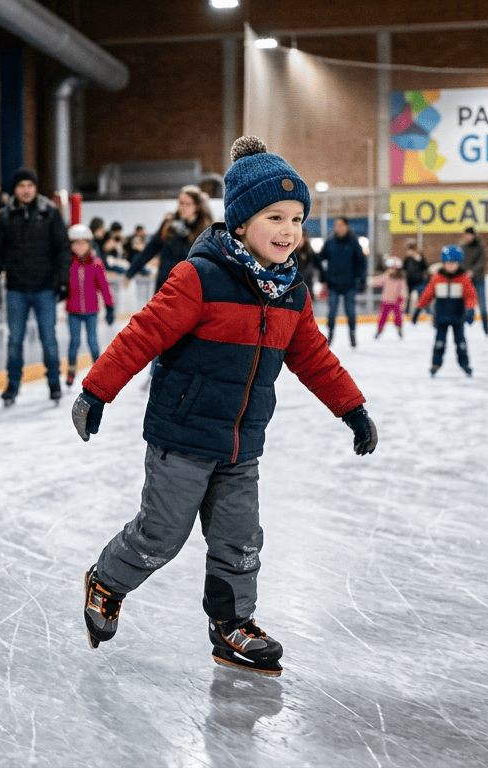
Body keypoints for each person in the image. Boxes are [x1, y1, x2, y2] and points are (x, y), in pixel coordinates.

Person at [70, 136, 376, 676]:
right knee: (161, 535)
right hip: (182, 439)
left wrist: (352, 409)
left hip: (242, 444)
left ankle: (232, 625)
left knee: (240, 540)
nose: (289, 231)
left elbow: (315, 359)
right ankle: (107, 580)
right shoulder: (200, 277)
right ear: (239, 222)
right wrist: (97, 391)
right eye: (275, 217)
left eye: (298, 219)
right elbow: (142, 335)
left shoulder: (291, 294)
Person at [0, 167, 70, 405]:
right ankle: (12, 386)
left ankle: (54, 383)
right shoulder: (4, 217)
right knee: (14, 340)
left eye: (30, 185)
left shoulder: (50, 213)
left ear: (35, 188)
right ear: (15, 189)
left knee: (49, 338)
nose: (26, 190)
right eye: (21, 185)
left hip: (44, 288)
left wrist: (63, 281)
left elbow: (63, 248)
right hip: (16, 289)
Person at [126, 185, 214, 295]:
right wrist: (130, 272)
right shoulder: (168, 224)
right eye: (181, 203)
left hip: (189, 288)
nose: (183, 207)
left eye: (188, 204)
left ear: (197, 206)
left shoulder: (204, 230)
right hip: (164, 284)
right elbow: (150, 249)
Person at [64, 223, 115, 387]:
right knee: (74, 342)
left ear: (89, 244)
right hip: (73, 311)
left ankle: (97, 373)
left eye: (83, 242)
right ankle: (71, 370)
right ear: (71, 245)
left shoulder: (96, 263)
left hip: (91, 311)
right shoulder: (67, 263)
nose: (79, 246)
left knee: (93, 341)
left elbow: (104, 286)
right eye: (75, 243)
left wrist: (110, 306)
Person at [417, 244, 478, 377]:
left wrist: (470, 309)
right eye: (448, 263)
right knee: (439, 343)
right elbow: (427, 294)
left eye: (454, 263)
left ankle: (465, 364)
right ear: (443, 263)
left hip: (458, 317)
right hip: (441, 318)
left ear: (459, 263)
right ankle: (435, 364)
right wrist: (419, 308)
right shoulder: (437, 278)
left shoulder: (464, 279)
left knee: (461, 343)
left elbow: (470, 296)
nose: (451, 266)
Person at [316, 217, 367, 347]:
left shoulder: (353, 242)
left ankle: (352, 334)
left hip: (349, 284)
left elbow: (361, 262)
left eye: (341, 225)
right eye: (336, 225)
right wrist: (323, 275)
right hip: (333, 284)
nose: (338, 227)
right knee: (332, 311)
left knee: (350, 311)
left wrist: (361, 279)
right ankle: (330, 334)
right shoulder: (330, 242)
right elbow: (319, 258)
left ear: (347, 226)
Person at [460, 226, 488, 335]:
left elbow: (481, 262)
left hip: (479, 279)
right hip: (467, 280)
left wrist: (472, 271)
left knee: (482, 305)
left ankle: (486, 328)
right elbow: (461, 262)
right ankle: (464, 325)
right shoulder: (462, 247)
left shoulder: (480, 247)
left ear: (473, 235)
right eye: (465, 235)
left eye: (468, 235)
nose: (467, 237)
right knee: (464, 304)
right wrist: (464, 272)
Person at [370, 257, 406, 339]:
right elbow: (377, 281)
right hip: (385, 302)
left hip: (396, 302)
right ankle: (379, 330)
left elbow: (403, 291)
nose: (391, 270)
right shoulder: (386, 277)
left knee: (398, 318)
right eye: (389, 268)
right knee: (382, 318)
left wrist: (402, 299)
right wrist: (370, 281)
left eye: (393, 269)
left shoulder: (400, 280)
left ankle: (399, 328)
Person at [402, 239, 429, 322]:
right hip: (410, 282)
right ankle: (406, 314)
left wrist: (418, 259)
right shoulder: (407, 259)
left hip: (419, 281)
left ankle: (427, 313)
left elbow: (425, 267)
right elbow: (404, 269)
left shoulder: (420, 258)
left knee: (422, 297)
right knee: (408, 297)